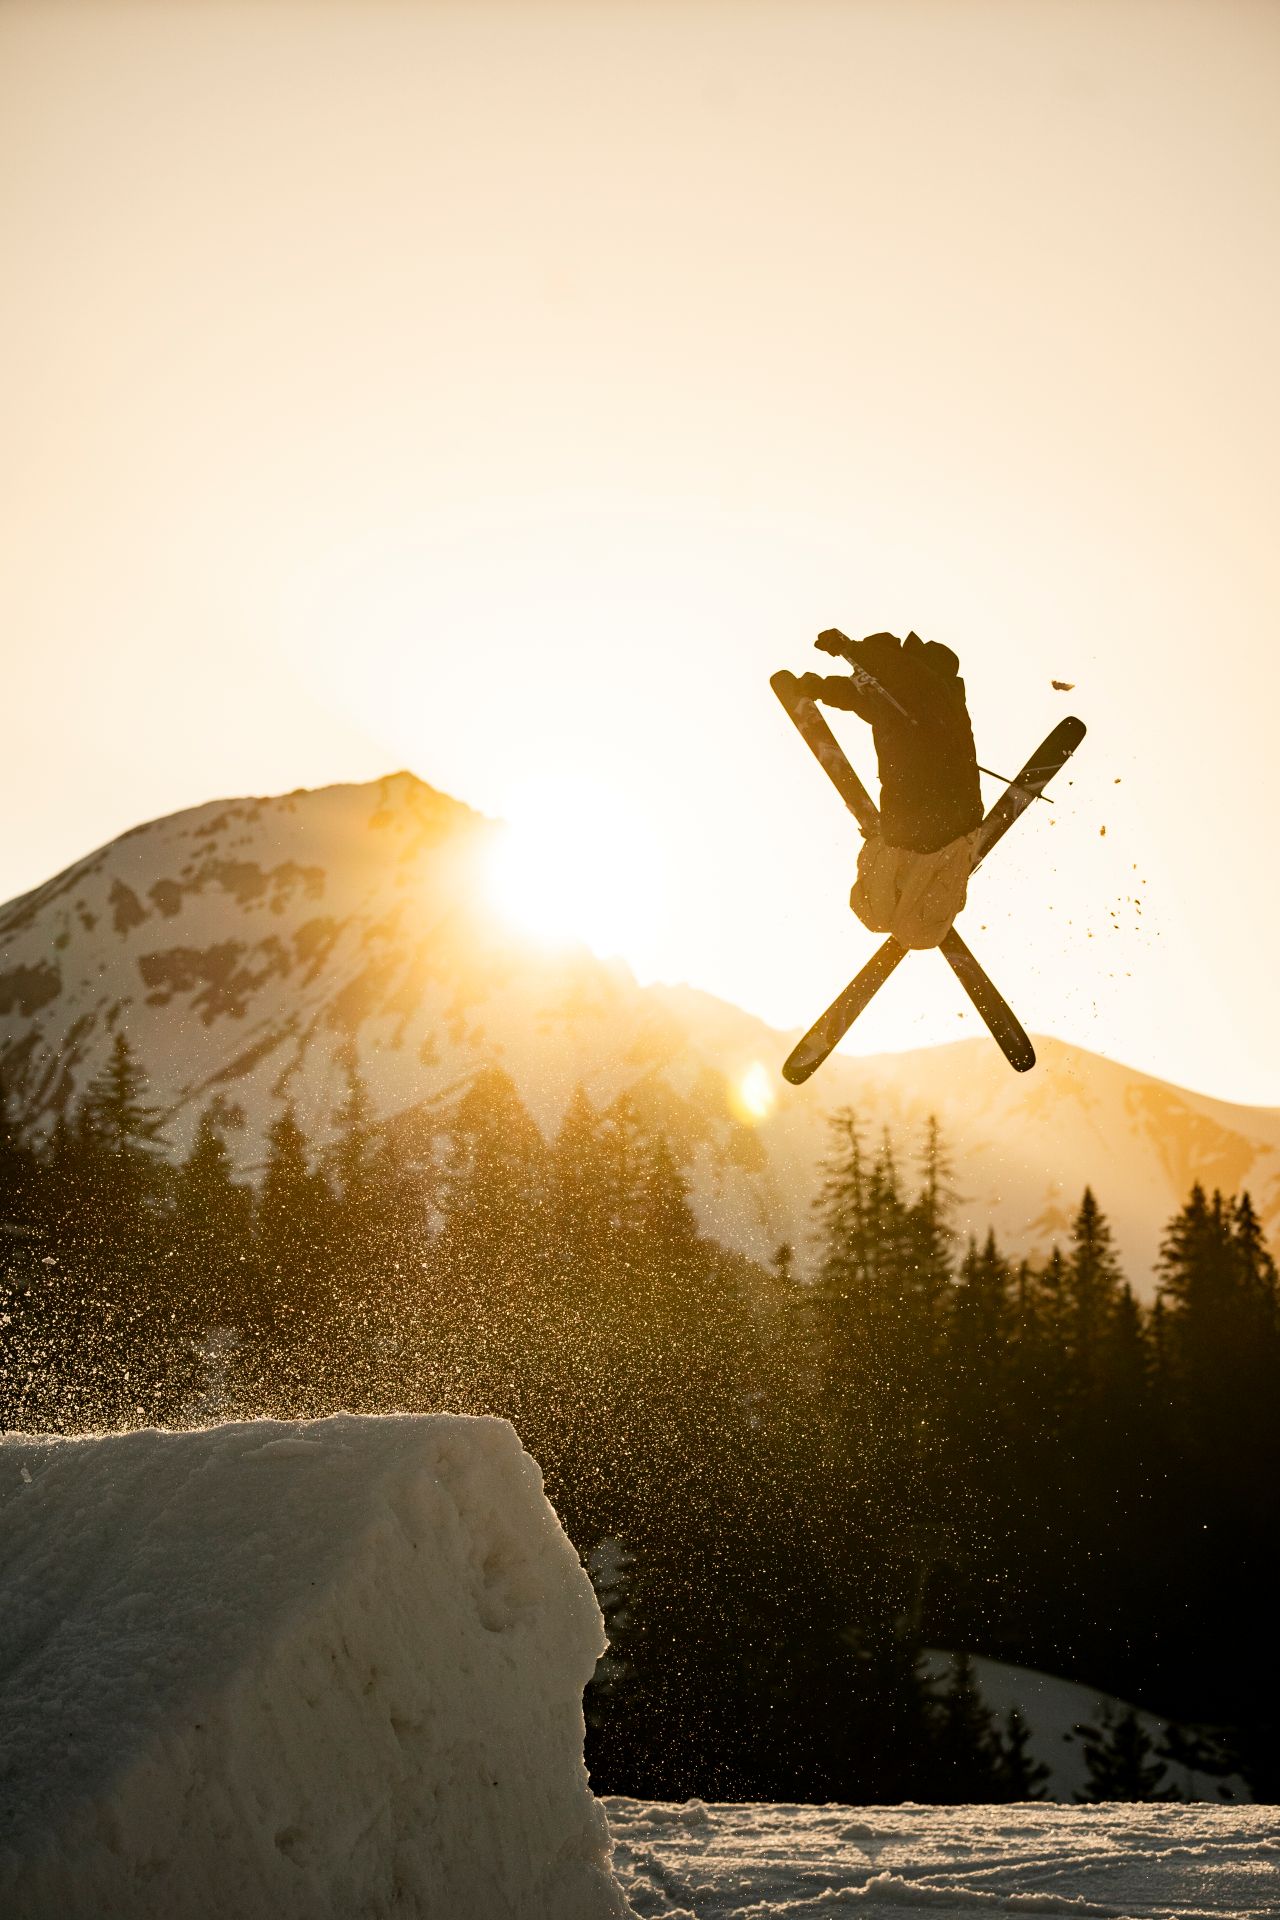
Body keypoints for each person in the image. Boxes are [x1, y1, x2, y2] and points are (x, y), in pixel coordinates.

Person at [794, 628, 985, 949]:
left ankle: (901, 883)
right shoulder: (917, 699)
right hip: (941, 824)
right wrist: (821, 686)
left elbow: (891, 674)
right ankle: (908, 897)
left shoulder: (918, 683)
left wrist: (848, 650)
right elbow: (864, 694)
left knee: (881, 913)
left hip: (926, 822)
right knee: (903, 924)